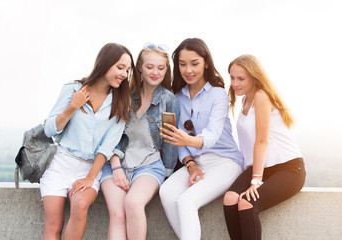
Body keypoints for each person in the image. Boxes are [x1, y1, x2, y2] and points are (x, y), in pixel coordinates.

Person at [40, 43, 137, 240]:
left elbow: (107, 147)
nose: (124, 74)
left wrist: (90, 178)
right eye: (120, 68)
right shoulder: (72, 89)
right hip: (61, 164)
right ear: (105, 63)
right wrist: (72, 107)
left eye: (127, 70)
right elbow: (49, 129)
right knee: (54, 225)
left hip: (90, 168)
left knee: (81, 205)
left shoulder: (120, 102)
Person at [159, 38, 243, 240]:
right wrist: (190, 164)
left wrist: (186, 140)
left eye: (194, 63)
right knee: (167, 193)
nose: (188, 70)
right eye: (182, 64)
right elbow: (178, 143)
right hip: (196, 163)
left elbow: (212, 135)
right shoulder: (176, 97)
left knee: (187, 201)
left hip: (225, 162)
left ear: (206, 63)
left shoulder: (218, 94)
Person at [100, 43, 180, 240]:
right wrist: (116, 167)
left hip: (149, 166)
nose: (155, 72)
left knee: (133, 203)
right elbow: (111, 136)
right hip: (115, 165)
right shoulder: (123, 96)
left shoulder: (169, 101)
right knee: (117, 213)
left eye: (161, 68)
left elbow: (170, 142)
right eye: (150, 67)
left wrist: (168, 176)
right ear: (140, 68)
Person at [223, 54, 306, 240]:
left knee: (247, 203)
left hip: (288, 168)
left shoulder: (261, 96)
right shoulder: (244, 100)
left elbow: (261, 140)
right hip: (261, 167)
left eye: (241, 79)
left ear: (254, 78)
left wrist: (255, 181)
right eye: (232, 77)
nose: (235, 83)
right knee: (230, 199)